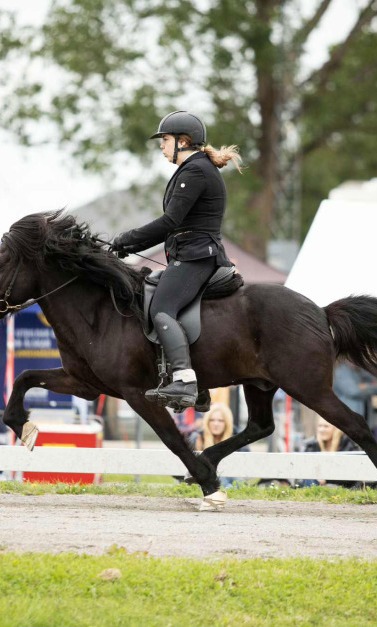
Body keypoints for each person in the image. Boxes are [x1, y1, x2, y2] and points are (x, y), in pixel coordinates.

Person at [111, 111, 242, 409]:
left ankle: (185, 381)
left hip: (197, 257)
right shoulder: (194, 169)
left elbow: (170, 222)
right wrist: (128, 245)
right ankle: (200, 383)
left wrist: (126, 239)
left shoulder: (195, 171)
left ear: (183, 141)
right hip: (190, 254)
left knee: (162, 309)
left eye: (166, 140)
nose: (161, 145)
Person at [190, 403, 243, 488]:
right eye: (212, 420)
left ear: (227, 422)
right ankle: (227, 489)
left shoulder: (238, 439)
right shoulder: (197, 438)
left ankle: (226, 489)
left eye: (220, 421)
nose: (216, 424)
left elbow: (245, 467)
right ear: (207, 421)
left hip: (232, 478)